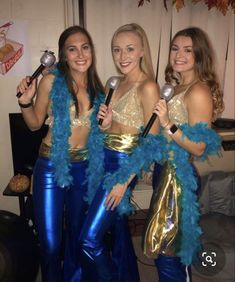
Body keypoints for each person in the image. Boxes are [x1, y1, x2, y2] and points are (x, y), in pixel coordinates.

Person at [16, 25, 104, 282]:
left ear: (92, 51)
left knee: (78, 236)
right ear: (64, 55)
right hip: (51, 167)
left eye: (85, 47)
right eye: (72, 49)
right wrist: (25, 102)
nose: (80, 54)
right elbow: (34, 124)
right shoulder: (51, 81)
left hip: (83, 168)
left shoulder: (98, 88)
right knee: (51, 243)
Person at [79, 23, 164, 282]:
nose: (122, 56)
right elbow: (107, 129)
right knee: (118, 234)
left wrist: (124, 181)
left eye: (129, 49)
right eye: (117, 50)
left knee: (89, 239)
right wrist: (104, 125)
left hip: (123, 166)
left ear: (141, 52)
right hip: (103, 159)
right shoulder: (113, 82)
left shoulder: (148, 86)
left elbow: (153, 141)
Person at [142, 27, 224, 281]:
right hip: (165, 172)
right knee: (165, 247)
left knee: (169, 252)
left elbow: (199, 147)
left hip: (178, 180)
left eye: (187, 50)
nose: (179, 54)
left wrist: (168, 123)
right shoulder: (177, 88)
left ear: (199, 55)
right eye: (175, 48)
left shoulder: (198, 91)